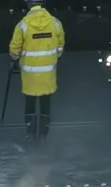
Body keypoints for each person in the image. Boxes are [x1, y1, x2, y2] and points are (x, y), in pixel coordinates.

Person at [9, 1, 65, 141]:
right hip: (48, 73)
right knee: (46, 102)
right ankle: (44, 133)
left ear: (29, 5)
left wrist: (15, 58)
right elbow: (60, 46)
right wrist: (53, 57)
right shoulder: (55, 23)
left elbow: (14, 49)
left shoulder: (23, 25)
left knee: (30, 102)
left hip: (30, 74)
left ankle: (30, 131)